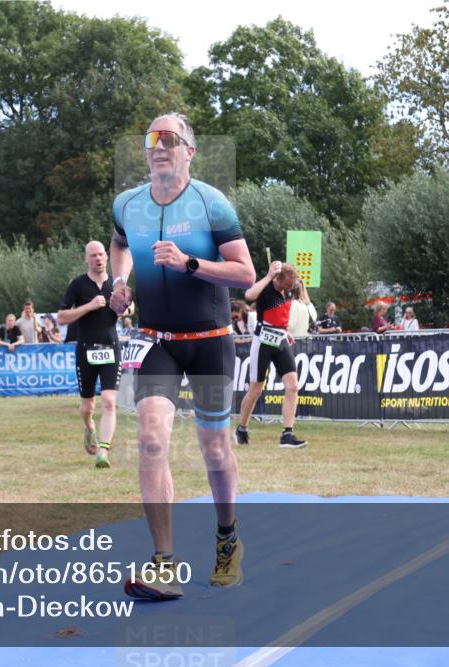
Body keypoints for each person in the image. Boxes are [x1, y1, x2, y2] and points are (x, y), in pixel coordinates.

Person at [109, 112, 255, 600]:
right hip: (156, 343)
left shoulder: (212, 204)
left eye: (170, 138)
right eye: (152, 138)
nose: (159, 146)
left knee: (214, 448)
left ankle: (227, 538)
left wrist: (190, 263)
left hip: (211, 341)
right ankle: (163, 562)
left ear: (189, 150)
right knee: (150, 441)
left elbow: (244, 273)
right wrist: (118, 283)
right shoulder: (127, 204)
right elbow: (119, 244)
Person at [58, 241, 126, 467]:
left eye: (101, 255)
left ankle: (104, 452)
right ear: (86, 259)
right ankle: (89, 428)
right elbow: (62, 317)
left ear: (107, 257)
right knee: (88, 407)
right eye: (93, 255)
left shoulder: (116, 284)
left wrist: (126, 306)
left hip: (111, 349)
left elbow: (130, 307)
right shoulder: (77, 285)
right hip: (86, 350)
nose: (97, 259)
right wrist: (88, 307)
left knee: (109, 401)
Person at [235, 261, 308, 449]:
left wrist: (286, 332)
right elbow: (248, 294)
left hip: (281, 339)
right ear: (278, 279)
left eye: (292, 286)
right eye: (286, 285)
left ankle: (287, 434)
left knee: (292, 386)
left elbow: (281, 314)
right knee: (256, 389)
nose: (289, 289)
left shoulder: (290, 290)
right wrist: (268, 275)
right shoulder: (267, 288)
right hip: (263, 342)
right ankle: (241, 428)